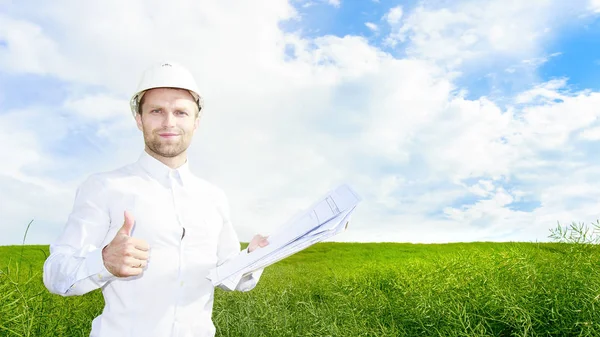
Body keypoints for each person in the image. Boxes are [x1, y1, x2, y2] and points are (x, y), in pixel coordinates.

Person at [42, 61, 269, 337]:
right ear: (139, 119)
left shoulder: (213, 197)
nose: (169, 122)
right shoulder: (104, 187)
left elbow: (229, 277)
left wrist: (254, 259)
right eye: (156, 111)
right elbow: (54, 274)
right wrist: (102, 263)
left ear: (196, 122)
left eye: (181, 112)